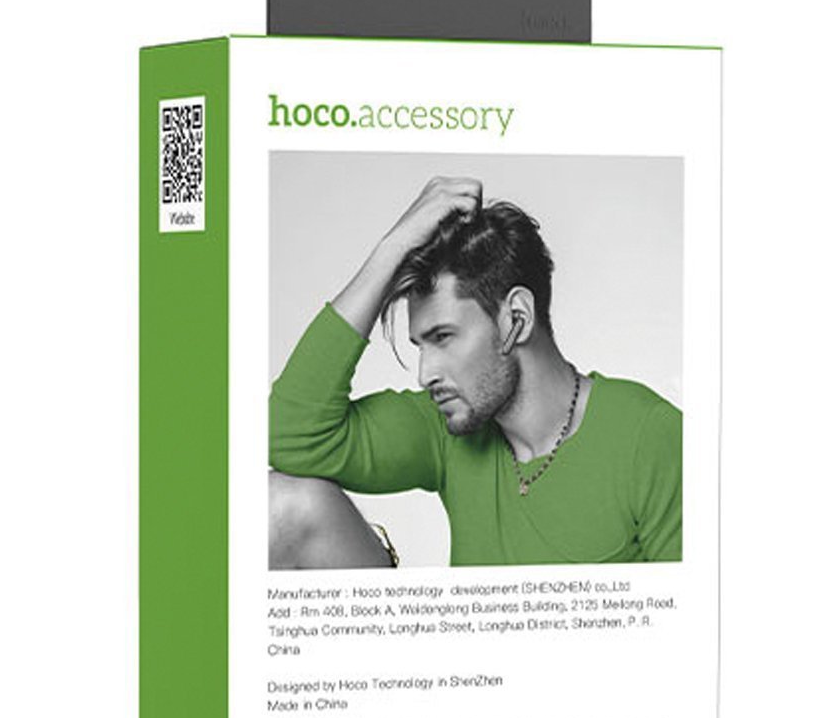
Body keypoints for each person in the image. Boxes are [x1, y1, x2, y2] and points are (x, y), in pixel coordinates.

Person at [268, 177, 681, 568]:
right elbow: (289, 434)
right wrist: (392, 248)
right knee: (278, 505)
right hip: (454, 623)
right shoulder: (446, 429)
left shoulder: (648, 435)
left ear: (516, 318)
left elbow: (692, 612)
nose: (425, 374)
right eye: (420, 346)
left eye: (443, 337)